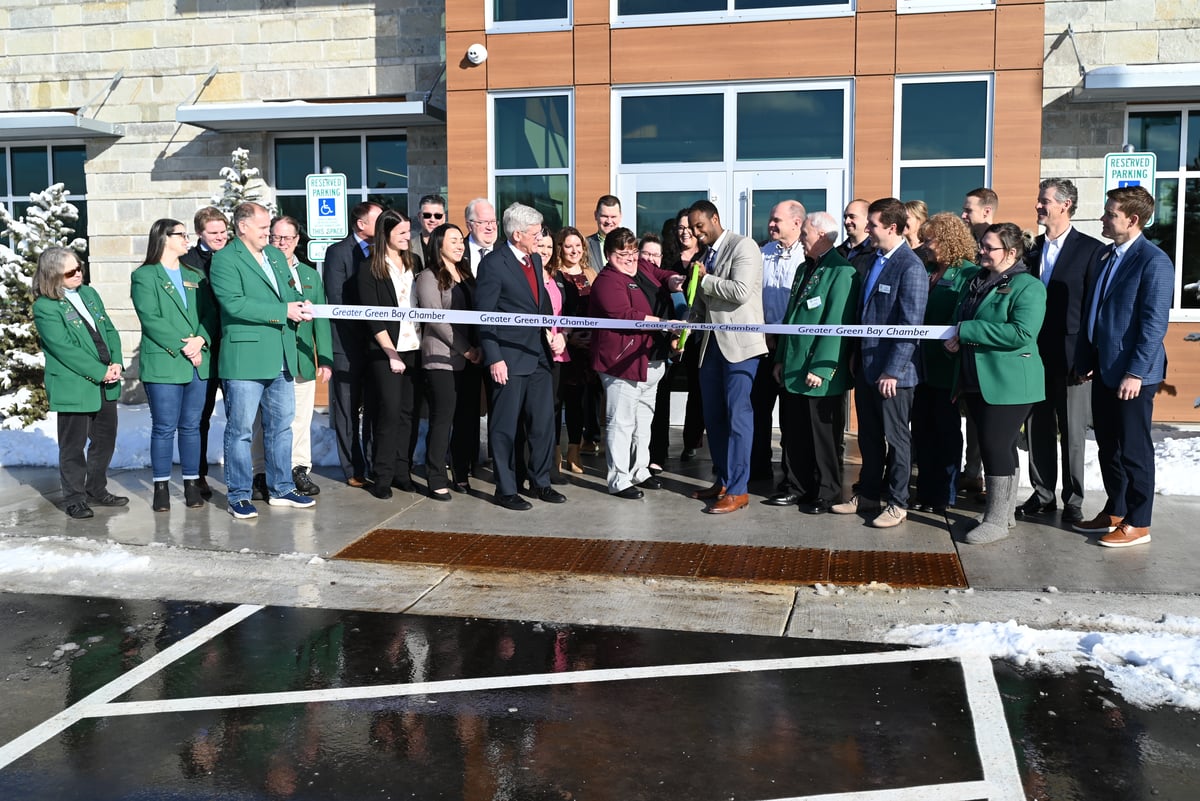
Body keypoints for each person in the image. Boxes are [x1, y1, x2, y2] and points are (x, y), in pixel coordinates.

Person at [1071, 186, 1173, 548]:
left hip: (1133, 375)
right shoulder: (1104, 257)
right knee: (1108, 446)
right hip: (1104, 367)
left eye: (1110, 213)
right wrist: (1087, 359)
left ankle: (1139, 521)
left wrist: (1135, 372)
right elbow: (1095, 312)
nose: (1103, 217)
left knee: (1134, 448)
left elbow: (1153, 323)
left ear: (1131, 220)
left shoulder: (1153, 261)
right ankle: (1115, 509)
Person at [209, 202, 315, 519]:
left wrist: (298, 303)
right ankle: (239, 494)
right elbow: (234, 305)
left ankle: (281, 488)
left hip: (281, 354)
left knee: (281, 428)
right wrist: (282, 311)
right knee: (241, 430)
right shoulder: (225, 260)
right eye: (262, 227)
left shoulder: (273, 256)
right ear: (242, 226)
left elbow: (286, 292)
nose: (269, 233)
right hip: (245, 358)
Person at [944, 222, 1047, 544]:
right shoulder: (978, 282)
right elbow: (965, 323)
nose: (982, 252)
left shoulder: (1028, 287)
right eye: (982, 246)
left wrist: (968, 331)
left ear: (1012, 252)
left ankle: (997, 521)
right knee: (1001, 447)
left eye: (990, 248)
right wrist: (956, 339)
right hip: (977, 379)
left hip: (1011, 383)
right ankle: (1003, 513)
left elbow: (1021, 333)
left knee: (994, 446)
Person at [831, 197, 928, 528]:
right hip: (868, 368)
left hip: (894, 375)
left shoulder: (910, 267)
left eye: (873, 225)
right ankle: (869, 494)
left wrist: (893, 370)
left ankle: (898, 502)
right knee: (869, 437)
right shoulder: (873, 260)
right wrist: (858, 355)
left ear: (892, 227)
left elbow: (910, 325)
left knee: (896, 438)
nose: (867, 229)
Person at [1017, 178, 1103, 524]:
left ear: (1065, 205)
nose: (1038, 206)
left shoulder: (1090, 250)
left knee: (1072, 431)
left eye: (1044, 201)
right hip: (1033, 355)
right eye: (1038, 200)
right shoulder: (1032, 249)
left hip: (1072, 357)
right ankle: (1042, 494)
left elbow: (1095, 307)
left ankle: (1074, 499)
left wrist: (1090, 355)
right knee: (1037, 428)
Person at [475, 202, 567, 511]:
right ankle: (506, 488)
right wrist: (494, 358)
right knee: (504, 427)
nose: (540, 237)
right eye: (535, 232)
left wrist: (553, 334)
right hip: (509, 359)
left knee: (543, 424)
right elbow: (484, 315)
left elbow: (539, 306)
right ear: (517, 235)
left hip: (538, 355)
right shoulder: (493, 264)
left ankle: (540, 482)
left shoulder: (536, 261)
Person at [771, 212, 858, 515]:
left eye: (805, 232)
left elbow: (837, 323)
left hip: (819, 370)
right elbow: (790, 318)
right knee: (793, 432)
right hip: (793, 365)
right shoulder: (803, 268)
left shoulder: (841, 272)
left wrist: (821, 368)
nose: (801, 237)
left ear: (822, 236)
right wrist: (781, 357)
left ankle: (827, 492)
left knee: (823, 437)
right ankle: (796, 486)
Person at [32, 247, 127, 519]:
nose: (78, 274)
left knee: (105, 439)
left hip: (106, 380)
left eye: (79, 268)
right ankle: (74, 498)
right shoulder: (46, 306)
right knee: (73, 445)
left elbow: (108, 329)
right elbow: (63, 348)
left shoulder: (89, 293)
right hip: (76, 383)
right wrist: (100, 371)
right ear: (53, 276)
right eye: (70, 271)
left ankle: (96, 488)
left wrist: (116, 361)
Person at [131, 218, 218, 512]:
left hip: (197, 361)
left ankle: (192, 484)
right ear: (164, 238)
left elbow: (210, 315)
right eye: (181, 234)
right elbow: (151, 318)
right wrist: (186, 345)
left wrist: (201, 341)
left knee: (192, 426)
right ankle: (161, 487)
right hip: (166, 362)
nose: (187, 240)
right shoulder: (145, 276)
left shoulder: (195, 275)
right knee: (165, 427)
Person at [589, 228, 683, 499]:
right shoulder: (608, 281)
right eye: (622, 254)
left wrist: (674, 279)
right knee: (621, 421)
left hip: (650, 361)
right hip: (621, 363)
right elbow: (625, 315)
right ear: (609, 255)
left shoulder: (640, 266)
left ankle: (640, 469)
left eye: (632, 252)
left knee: (644, 418)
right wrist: (665, 325)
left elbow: (660, 273)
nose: (629, 258)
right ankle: (618, 478)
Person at [686, 200, 767, 514]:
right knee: (714, 418)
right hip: (710, 347)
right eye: (692, 227)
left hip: (740, 347)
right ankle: (722, 480)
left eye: (699, 225)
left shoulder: (743, 246)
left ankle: (738, 490)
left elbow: (741, 291)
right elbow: (703, 305)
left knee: (738, 417)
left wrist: (704, 279)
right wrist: (685, 330)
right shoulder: (705, 256)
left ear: (714, 219)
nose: (696, 232)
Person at [909, 213, 980, 514]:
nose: (925, 245)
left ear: (949, 240)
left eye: (930, 240)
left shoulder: (968, 273)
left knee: (946, 431)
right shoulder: (923, 269)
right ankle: (925, 490)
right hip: (919, 364)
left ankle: (944, 494)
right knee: (922, 430)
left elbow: (967, 312)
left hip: (946, 365)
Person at [357, 209, 422, 500]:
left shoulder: (414, 262)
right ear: (386, 235)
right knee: (389, 412)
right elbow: (373, 317)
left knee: (409, 413)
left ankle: (401, 471)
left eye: (409, 232)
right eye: (402, 233)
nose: (408, 237)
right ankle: (381, 475)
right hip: (386, 351)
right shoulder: (370, 267)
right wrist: (391, 352)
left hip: (414, 347)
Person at [415, 223, 481, 499]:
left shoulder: (466, 274)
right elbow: (435, 317)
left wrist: (477, 348)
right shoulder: (428, 277)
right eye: (453, 240)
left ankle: (461, 473)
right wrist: (466, 348)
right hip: (441, 357)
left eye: (461, 241)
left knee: (466, 419)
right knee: (443, 419)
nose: (459, 245)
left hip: (471, 359)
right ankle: (435, 476)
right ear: (438, 244)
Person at [269, 216, 333, 497]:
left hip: (302, 357)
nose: (281, 243)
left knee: (300, 418)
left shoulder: (309, 275)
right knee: (268, 421)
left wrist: (326, 359)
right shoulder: (262, 270)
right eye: (276, 237)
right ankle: (263, 472)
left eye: (287, 238)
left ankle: (299, 469)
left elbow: (321, 319)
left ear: (297, 240)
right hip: (270, 357)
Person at [323, 200, 382, 488]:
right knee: (347, 410)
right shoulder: (338, 252)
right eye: (378, 220)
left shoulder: (382, 252)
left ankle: (374, 464)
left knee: (374, 407)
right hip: (346, 344)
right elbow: (337, 300)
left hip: (377, 345)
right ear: (361, 223)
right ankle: (353, 468)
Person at [752, 200, 806, 485]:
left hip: (792, 348)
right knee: (758, 411)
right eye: (771, 220)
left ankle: (790, 477)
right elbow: (753, 296)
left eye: (777, 220)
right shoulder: (763, 253)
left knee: (791, 418)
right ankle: (757, 469)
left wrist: (782, 338)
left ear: (797, 223)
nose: (771, 225)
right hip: (763, 344)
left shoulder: (805, 257)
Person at [179, 206, 230, 500]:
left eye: (223, 232)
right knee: (200, 416)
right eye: (213, 233)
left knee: (240, 416)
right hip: (204, 346)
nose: (220, 237)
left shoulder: (235, 256)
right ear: (200, 233)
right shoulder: (187, 262)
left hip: (233, 344)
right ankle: (196, 476)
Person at [549, 225, 599, 474]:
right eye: (568, 246)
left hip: (586, 350)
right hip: (561, 346)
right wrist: (569, 339)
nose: (574, 250)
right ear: (560, 248)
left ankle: (575, 450)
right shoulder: (553, 273)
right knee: (557, 401)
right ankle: (555, 450)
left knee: (579, 401)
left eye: (578, 246)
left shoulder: (590, 273)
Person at [661, 210, 706, 462]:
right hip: (672, 332)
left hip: (699, 334)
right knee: (664, 385)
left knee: (697, 388)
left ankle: (691, 441)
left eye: (689, 227)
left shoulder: (706, 257)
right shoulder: (668, 259)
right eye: (680, 227)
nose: (684, 231)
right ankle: (660, 444)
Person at [836, 198, 874, 275]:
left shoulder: (876, 253)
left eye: (852, 217)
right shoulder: (837, 253)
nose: (846, 221)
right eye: (845, 217)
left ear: (868, 219)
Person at [586, 195, 622, 274]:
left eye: (613, 217)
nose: (609, 221)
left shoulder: (633, 247)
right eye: (604, 216)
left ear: (620, 216)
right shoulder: (584, 245)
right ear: (596, 215)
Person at [465, 198, 499, 276]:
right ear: (470, 226)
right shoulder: (458, 251)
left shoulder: (507, 251)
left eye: (493, 221)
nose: (490, 227)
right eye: (483, 222)